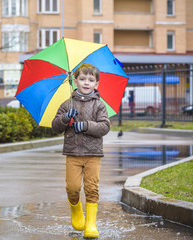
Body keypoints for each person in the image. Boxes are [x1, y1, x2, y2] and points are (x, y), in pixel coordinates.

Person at [52, 63, 110, 238]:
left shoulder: (99, 106)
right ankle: (76, 210)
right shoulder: (67, 104)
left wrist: (84, 126)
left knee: (92, 188)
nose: (86, 82)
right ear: (75, 81)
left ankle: (91, 224)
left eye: (91, 80)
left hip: (93, 154)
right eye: (82, 79)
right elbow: (56, 127)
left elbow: (105, 126)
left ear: (96, 84)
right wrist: (65, 118)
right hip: (73, 154)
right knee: (73, 187)